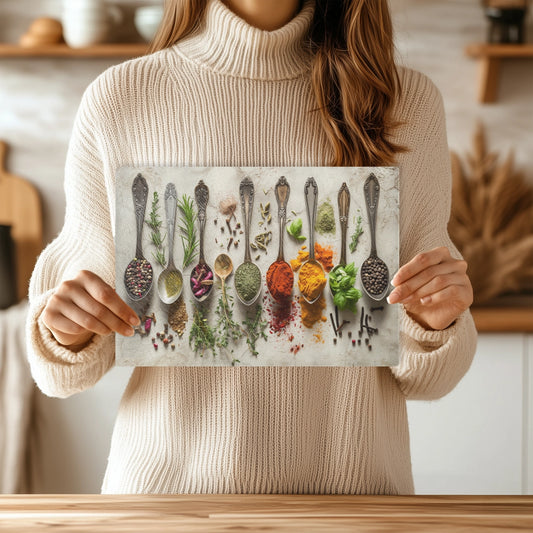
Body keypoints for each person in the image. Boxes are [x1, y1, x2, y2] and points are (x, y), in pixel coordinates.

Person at [26, 0, 477, 494]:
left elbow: (428, 377)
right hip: (166, 505)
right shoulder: (121, 98)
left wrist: (437, 319)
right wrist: (68, 328)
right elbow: (65, 369)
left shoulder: (405, 101)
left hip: (354, 502)